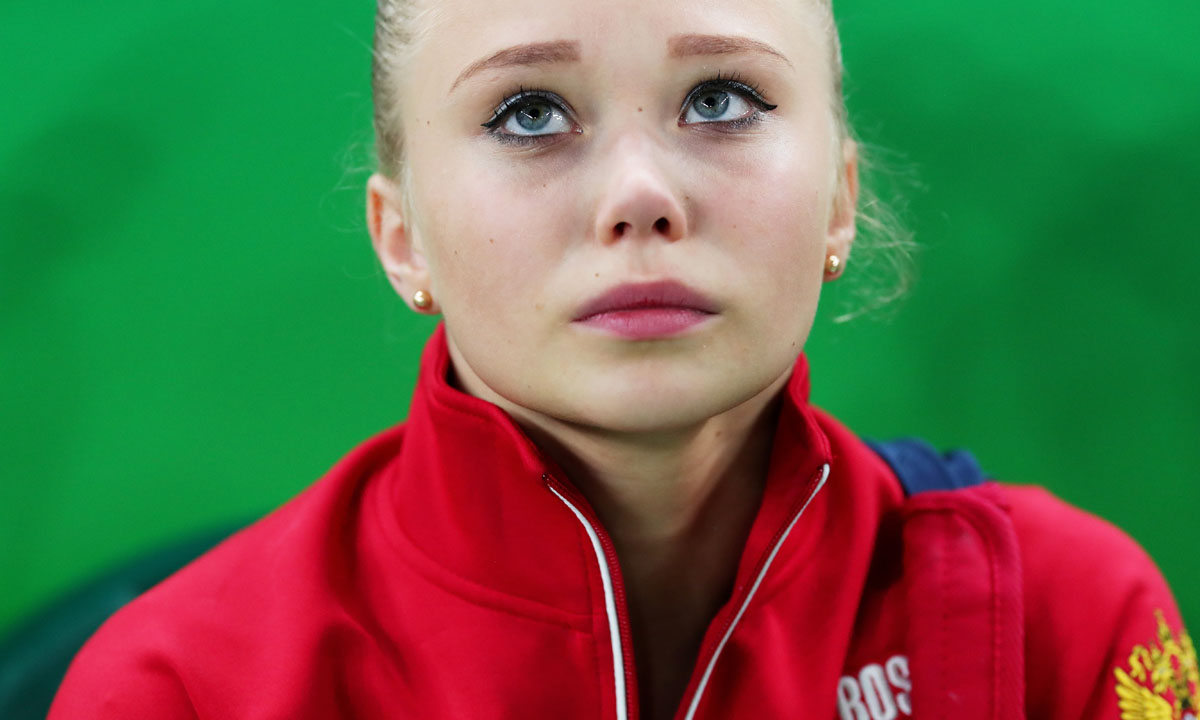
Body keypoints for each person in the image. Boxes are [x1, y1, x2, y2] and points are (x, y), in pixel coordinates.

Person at [49, 0, 1193, 718]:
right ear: (405, 240)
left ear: (840, 202)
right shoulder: (177, 689)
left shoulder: (1071, 624)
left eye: (723, 98)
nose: (641, 195)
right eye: (531, 113)